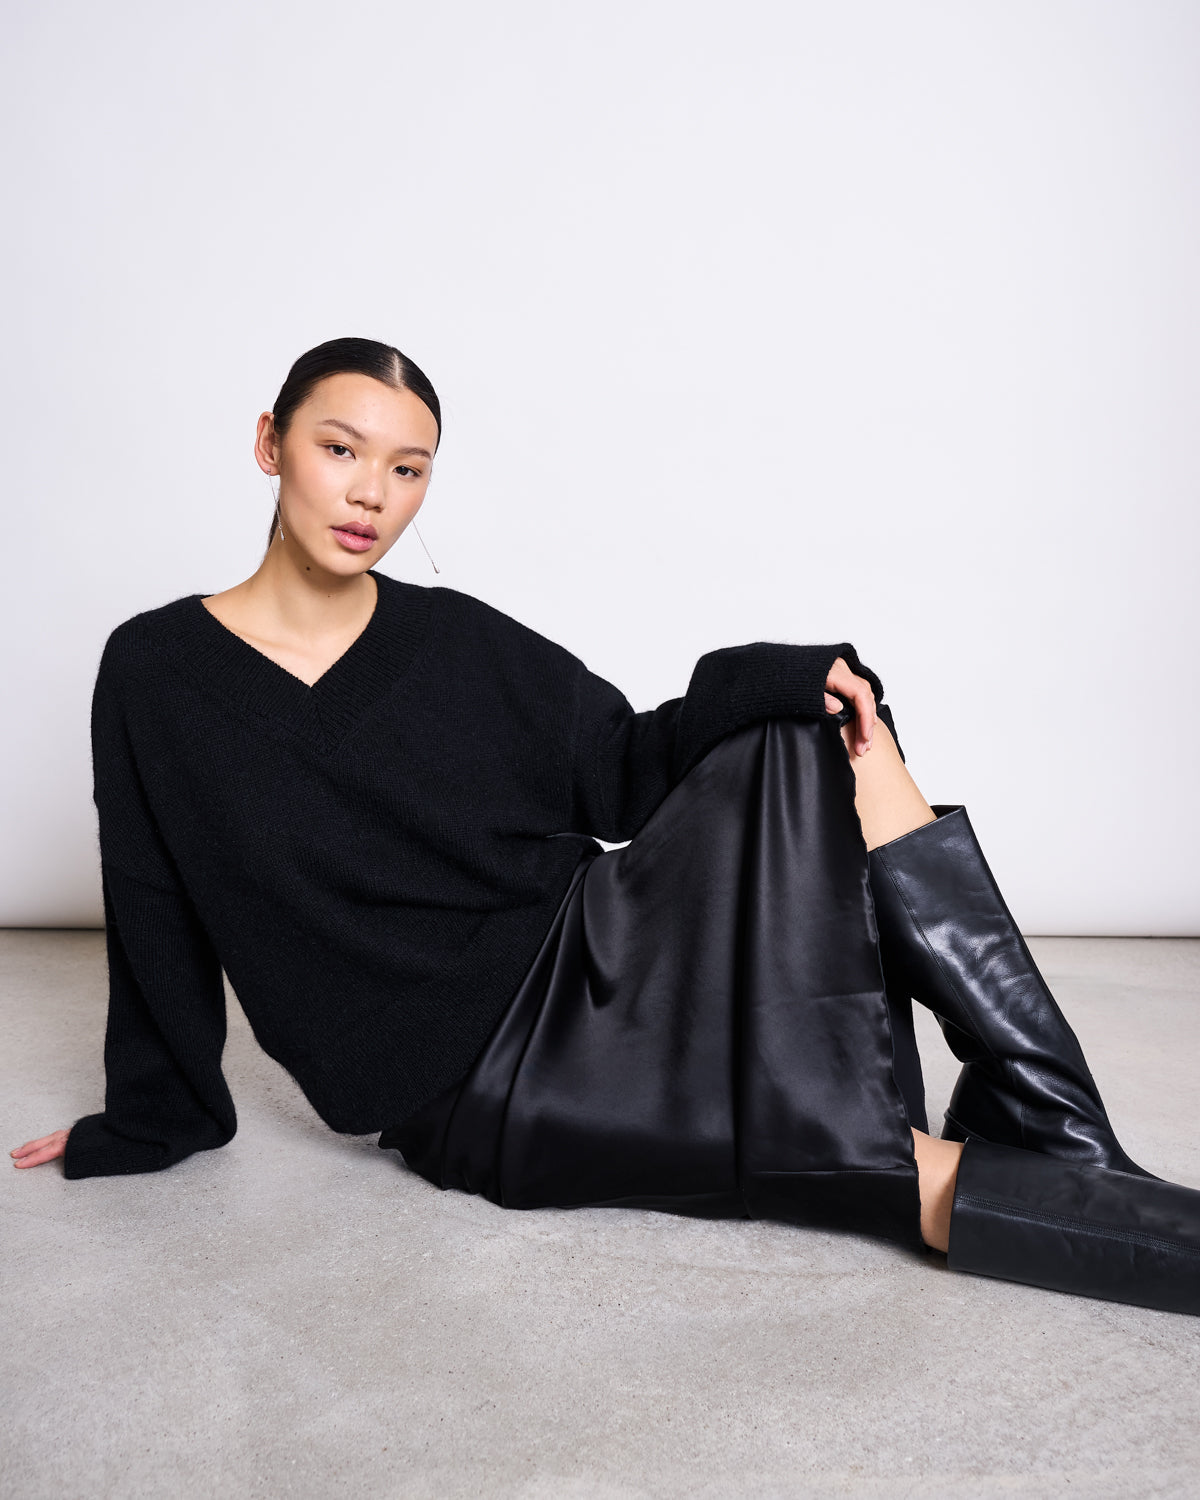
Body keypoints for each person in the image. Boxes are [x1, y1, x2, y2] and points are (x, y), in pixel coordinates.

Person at [12, 337, 1199, 1317]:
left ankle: (1050, 1120)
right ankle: (1059, 1133)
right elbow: (152, 894)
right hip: (481, 1089)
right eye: (340, 450)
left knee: (809, 723)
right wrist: (152, 1115)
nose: (374, 493)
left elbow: (624, 770)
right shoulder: (158, 671)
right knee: (874, 1165)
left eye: (410, 469)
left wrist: (787, 677)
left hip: (600, 941)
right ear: (270, 443)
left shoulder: (452, 639)